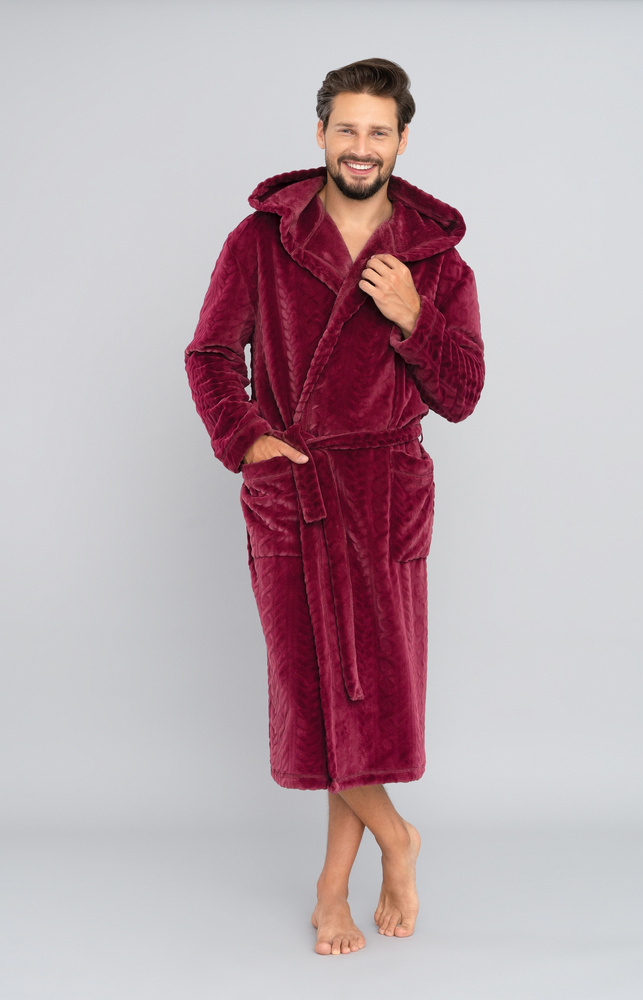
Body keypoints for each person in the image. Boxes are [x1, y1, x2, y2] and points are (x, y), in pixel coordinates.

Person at [185, 58, 484, 955]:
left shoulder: (435, 261)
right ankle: (397, 838)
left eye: (378, 132)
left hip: (385, 494)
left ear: (402, 141)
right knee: (313, 690)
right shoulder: (261, 240)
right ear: (320, 133)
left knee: (364, 697)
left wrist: (415, 316)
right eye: (346, 128)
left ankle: (329, 891)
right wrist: (246, 439)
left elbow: (462, 393)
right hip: (297, 491)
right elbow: (210, 355)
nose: (361, 146)